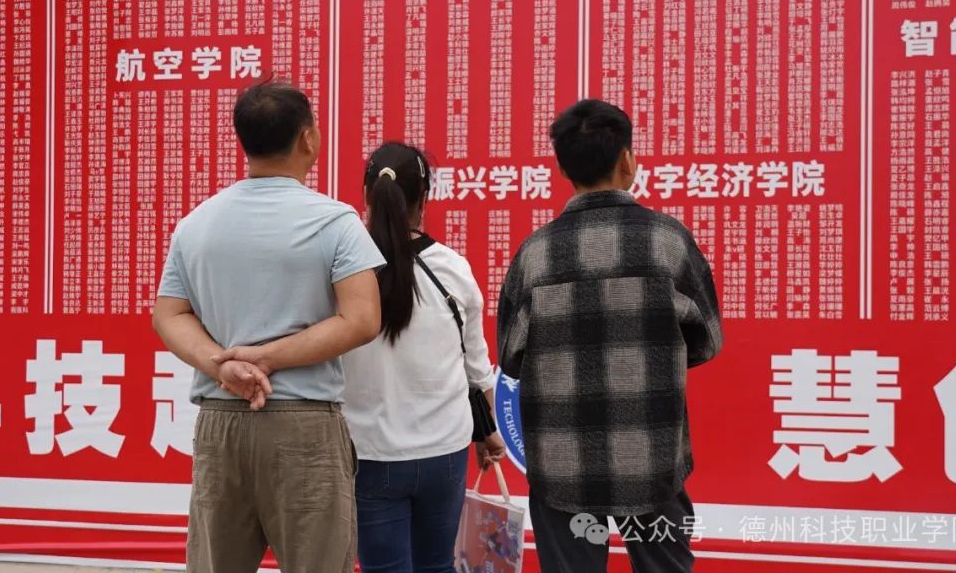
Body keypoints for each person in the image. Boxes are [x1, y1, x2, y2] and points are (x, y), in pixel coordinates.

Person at [217, 142, 506, 573]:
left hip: (367, 454)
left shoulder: (339, 269)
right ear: (425, 199)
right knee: (437, 566)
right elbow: (476, 368)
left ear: (367, 196)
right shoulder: (453, 269)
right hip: (444, 452)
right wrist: (488, 433)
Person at [151, 80, 386, 573]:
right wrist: (267, 358)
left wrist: (223, 366)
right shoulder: (335, 221)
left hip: (222, 419)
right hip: (304, 424)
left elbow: (168, 314)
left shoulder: (197, 223)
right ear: (307, 138)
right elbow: (362, 320)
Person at [496, 99, 723, 573]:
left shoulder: (534, 255)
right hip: (652, 457)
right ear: (627, 160)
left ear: (563, 169)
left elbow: (512, 357)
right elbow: (707, 340)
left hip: (561, 465)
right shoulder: (668, 242)